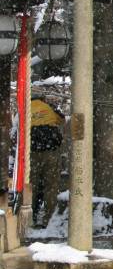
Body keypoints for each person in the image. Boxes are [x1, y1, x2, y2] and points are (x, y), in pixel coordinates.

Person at [30, 94, 65, 227]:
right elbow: (62, 120)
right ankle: (49, 218)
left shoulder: (26, 108)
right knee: (51, 185)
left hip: (32, 152)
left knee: (31, 185)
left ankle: (29, 217)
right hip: (51, 151)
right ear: (42, 99)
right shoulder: (49, 108)